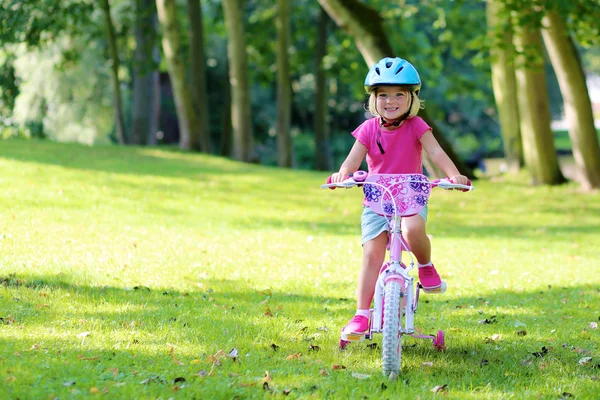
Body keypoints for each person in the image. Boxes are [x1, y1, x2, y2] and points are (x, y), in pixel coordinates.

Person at [329, 57, 470, 336]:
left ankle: (426, 266)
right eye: (383, 95)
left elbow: (436, 152)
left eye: (398, 94)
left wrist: (454, 175)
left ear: (411, 98)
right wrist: (342, 174)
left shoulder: (416, 125)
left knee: (414, 228)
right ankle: (360, 314)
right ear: (373, 99)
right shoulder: (368, 129)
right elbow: (352, 160)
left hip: (410, 195)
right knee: (372, 254)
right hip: (377, 197)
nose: (390, 101)